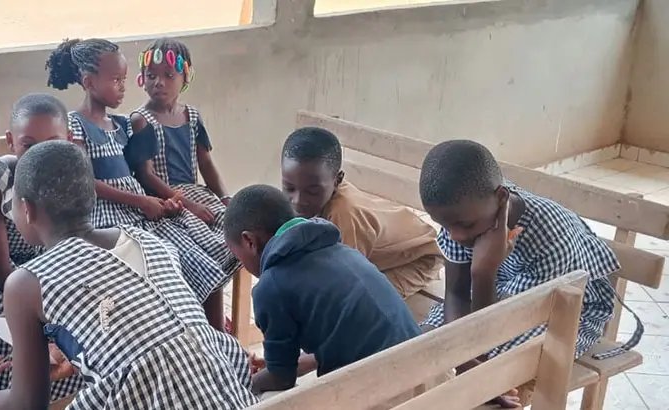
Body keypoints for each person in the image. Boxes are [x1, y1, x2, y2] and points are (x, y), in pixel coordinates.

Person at [0, 140, 257, 409]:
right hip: (226, 392)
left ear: (27, 209)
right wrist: (77, 354)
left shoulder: (26, 283)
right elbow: (138, 325)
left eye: (11, 205)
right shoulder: (148, 241)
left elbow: (27, 404)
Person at [418, 140, 628, 406]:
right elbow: (457, 293)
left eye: (465, 225)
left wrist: (484, 273)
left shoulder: (552, 238)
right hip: (504, 288)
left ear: (502, 198)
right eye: (445, 226)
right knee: (428, 341)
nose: (456, 236)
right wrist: (463, 358)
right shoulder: (460, 214)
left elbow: (517, 323)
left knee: (507, 360)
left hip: (565, 310)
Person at [46, 37, 235, 330]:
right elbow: (84, 179)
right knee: (166, 260)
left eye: (124, 79)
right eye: (116, 80)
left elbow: (139, 175)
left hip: (141, 212)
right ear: (89, 82)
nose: (124, 86)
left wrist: (163, 202)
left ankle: (213, 334)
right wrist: (143, 201)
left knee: (198, 259)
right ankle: (189, 327)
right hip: (109, 216)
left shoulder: (121, 125)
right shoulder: (75, 125)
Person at [223, 184, 420, 396]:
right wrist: (281, 363)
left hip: (385, 392)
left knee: (266, 397)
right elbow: (344, 337)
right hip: (423, 365)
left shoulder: (271, 286)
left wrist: (243, 384)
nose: (242, 264)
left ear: (249, 240)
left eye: (238, 256)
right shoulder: (339, 250)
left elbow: (281, 379)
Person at [0, 93, 85, 399]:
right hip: (4, 273)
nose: (42, 156)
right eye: (29, 145)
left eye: (53, 142)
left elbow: (73, 245)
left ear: (69, 141)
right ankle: (21, 396)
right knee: (12, 320)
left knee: (81, 310)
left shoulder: (70, 177)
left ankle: (74, 394)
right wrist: (42, 311)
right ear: (10, 141)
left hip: (48, 267)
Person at [280, 127, 443, 300]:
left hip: (419, 259)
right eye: (289, 188)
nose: (298, 200)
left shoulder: (344, 216)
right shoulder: (318, 193)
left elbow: (344, 281)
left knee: (364, 302)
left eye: (312, 191)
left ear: (337, 180)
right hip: (377, 250)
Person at [126, 37, 230, 232]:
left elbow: (206, 163)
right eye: (151, 75)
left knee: (233, 225)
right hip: (165, 201)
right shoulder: (142, 120)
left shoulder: (191, 116)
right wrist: (189, 205)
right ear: (142, 79)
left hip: (196, 193)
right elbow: (145, 175)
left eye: (169, 75)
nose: (159, 82)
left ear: (186, 77)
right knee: (204, 236)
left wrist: (224, 197)